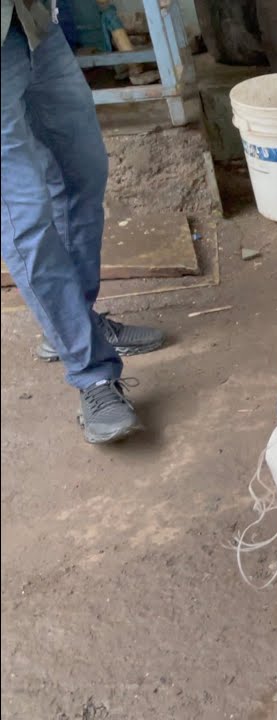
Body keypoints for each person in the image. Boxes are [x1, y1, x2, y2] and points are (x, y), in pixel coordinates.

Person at [2, 0, 165, 444]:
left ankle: (76, 323)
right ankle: (91, 373)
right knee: (24, 216)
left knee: (81, 171)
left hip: (32, 23)